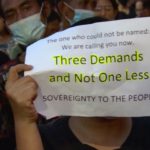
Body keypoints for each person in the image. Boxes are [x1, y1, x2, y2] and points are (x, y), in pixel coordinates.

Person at [5, 16, 150, 150]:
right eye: (89, 66)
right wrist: (24, 121)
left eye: (116, 63)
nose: (106, 78)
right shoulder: (39, 139)